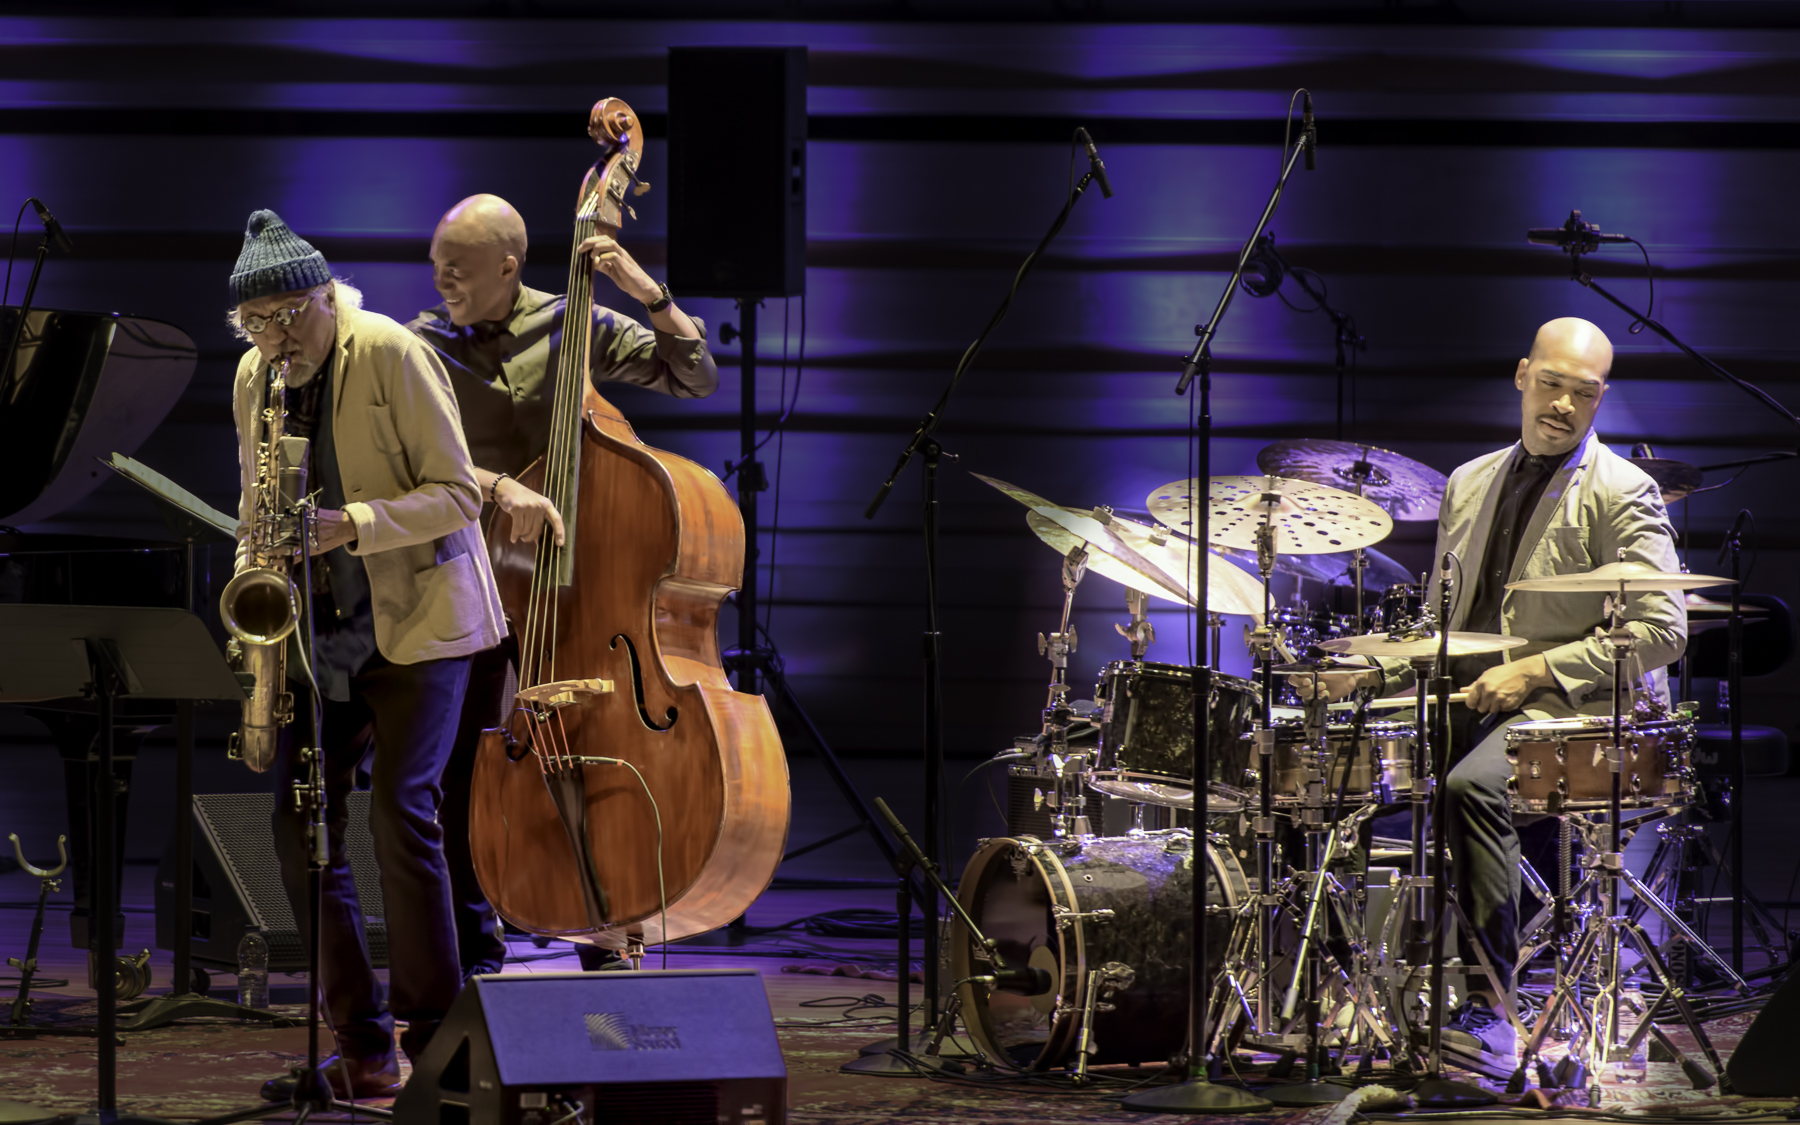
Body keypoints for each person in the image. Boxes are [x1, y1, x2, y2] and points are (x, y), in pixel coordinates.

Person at [1309, 317, 1685, 1069]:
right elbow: (1444, 623)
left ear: (1600, 398)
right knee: (1321, 766)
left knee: (1469, 787)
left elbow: (1662, 628)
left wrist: (1537, 672)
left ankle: (1492, 1007)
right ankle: (1337, 988)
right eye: (1551, 385)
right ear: (1522, 376)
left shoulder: (1623, 489)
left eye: (1582, 393)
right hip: (1479, 691)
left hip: (1579, 705)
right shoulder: (1470, 480)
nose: (1562, 405)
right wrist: (1374, 672)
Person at [226, 209, 506, 1098]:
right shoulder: (254, 375)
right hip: (322, 630)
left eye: (285, 318)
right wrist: (250, 579)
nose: (273, 340)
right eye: (253, 324)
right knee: (299, 831)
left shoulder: (388, 350)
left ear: (321, 297)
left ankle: (435, 1039)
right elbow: (253, 500)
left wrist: (356, 524)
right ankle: (361, 1043)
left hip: (419, 621)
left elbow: (460, 493)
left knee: (402, 815)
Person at [406, 193, 719, 976]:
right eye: (438, 265)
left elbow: (694, 376)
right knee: (459, 770)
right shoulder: (418, 345)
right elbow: (413, 458)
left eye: (461, 269)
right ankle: (471, 950)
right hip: (472, 579)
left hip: (578, 590)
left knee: (596, 751)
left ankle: (604, 927)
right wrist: (494, 487)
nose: (443, 280)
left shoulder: (573, 322)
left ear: (509, 266)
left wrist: (651, 295)